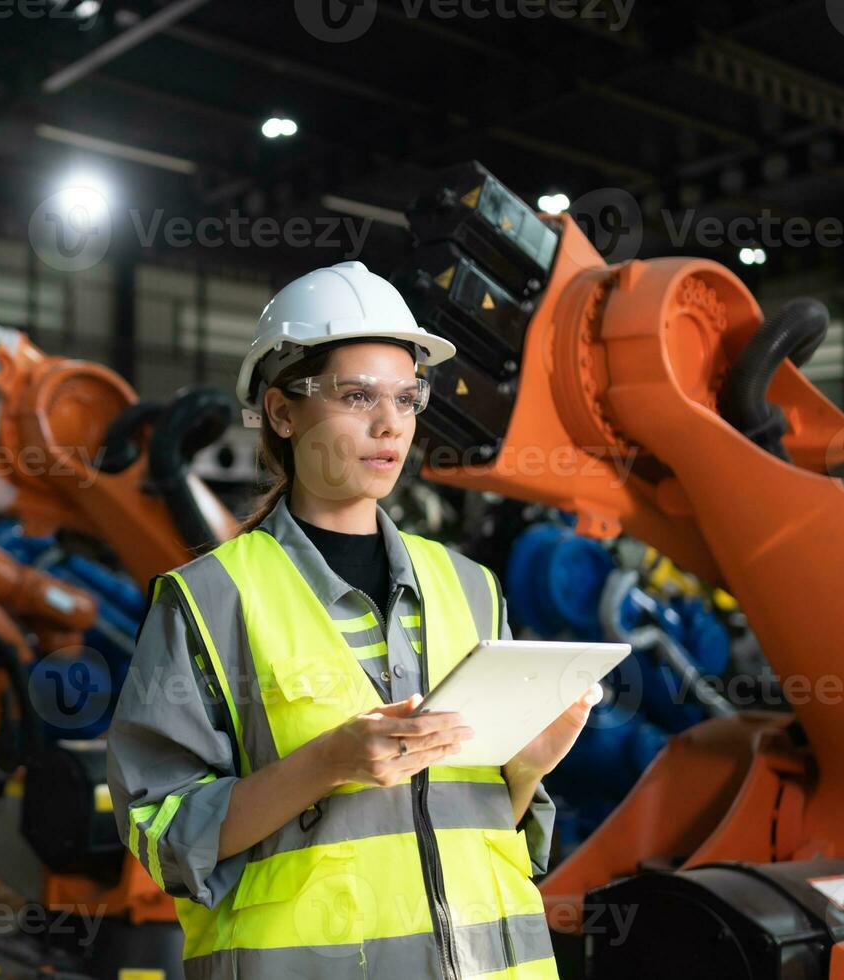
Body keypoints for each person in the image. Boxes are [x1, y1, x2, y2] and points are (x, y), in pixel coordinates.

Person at [106, 261, 598, 979]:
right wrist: (327, 763)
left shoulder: (468, 586)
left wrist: (525, 766)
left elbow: (494, 824)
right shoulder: (211, 601)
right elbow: (164, 833)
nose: (388, 424)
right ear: (282, 411)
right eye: (356, 395)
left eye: (406, 398)